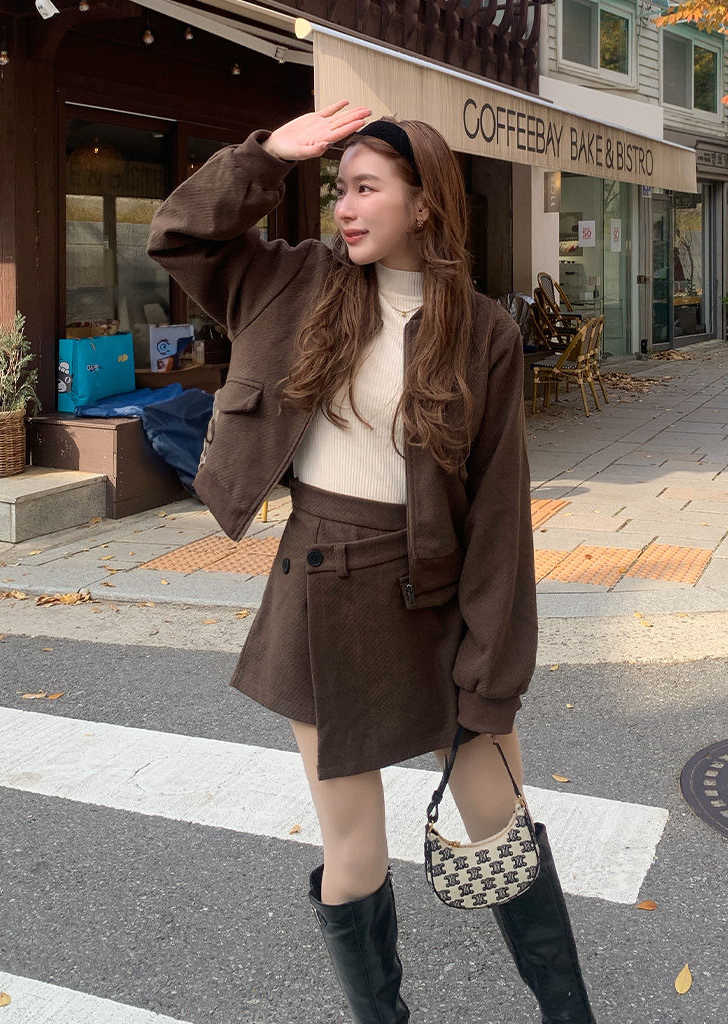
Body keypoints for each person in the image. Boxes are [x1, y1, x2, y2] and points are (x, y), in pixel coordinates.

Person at [148, 101, 595, 1024]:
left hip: (434, 596)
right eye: (339, 190)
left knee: (498, 826)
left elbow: (499, 519)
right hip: (319, 589)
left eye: (364, 189)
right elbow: (181, 233)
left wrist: (490, 671)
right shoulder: (292, 283)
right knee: (354, 854)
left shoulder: (481, 331)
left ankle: (569, 1014)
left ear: (423, 202)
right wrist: (269, 154)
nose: (344, 209)